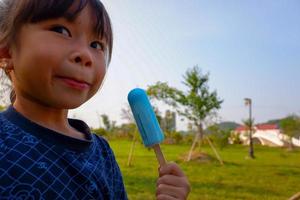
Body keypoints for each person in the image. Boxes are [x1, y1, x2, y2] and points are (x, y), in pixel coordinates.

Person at [0, 0, 190, 199]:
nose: (85, 55)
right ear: (6, 52)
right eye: (61, 30)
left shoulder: (103, 153)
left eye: (96, 44)